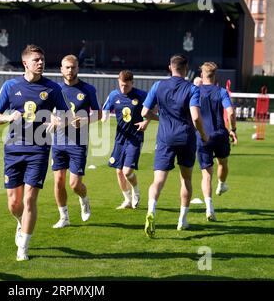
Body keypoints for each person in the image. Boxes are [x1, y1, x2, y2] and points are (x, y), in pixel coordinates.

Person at [0, 44, 71, 261]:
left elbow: (68, 116)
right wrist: (8, 118)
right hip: (13, 149)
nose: (40, 63)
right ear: (25, 63)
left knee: (30, 199)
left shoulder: (54, 88)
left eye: (42, 59)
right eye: (36, 60)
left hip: (39, 150)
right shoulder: (10, 86)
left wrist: (59, 119)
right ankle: (20, 223)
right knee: (14, 203)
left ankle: (24, 248)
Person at [141, 54, 209, 238]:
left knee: (158, 180)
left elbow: (145, 112)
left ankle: (151, 211)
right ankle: (182, 220)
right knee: (186, 180)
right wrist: (203, 135)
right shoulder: (192, 88)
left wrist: (160, 118)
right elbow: (195, 117)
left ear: (170, 67)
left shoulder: (158, 86)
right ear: (186, 69)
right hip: (186, 138)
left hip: (165, 139)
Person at [51, 55, 102, 228]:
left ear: (78, 68)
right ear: (61, 69)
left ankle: (84, 199)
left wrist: (85, 120)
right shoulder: (55, 89)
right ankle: (64, 217)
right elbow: (49, 111)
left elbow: (99, 113)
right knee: (58, 181)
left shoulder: (88, 89)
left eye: (73, 67)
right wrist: (53, 120)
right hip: (58, 142)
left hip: (78, 144)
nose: (70, 71)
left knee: (74, 184)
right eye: (66, 67)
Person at [102, 70, 150, 210]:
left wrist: (145, 122)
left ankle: (136, 192)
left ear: (132, 83)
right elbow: (105, 108)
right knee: (118, 171)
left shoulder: (141, 95)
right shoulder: (114, 95)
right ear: (119, 82)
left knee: (127, 171)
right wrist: (104, 117)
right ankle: (127, 200)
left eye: (127, 86)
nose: (124, 88)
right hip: (120, 138)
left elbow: (154, 109)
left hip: (135, 138)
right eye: (122, 85)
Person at [196, 62, 238, 221]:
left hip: (202, 136)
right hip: (220, 135)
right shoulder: (221, 91)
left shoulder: (195, 91)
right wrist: (233, 129)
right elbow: (231, 112)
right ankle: (221, 184)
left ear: (202, 75)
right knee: (223, 163)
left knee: (206, 175)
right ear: (215, 76)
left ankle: (209, 208)